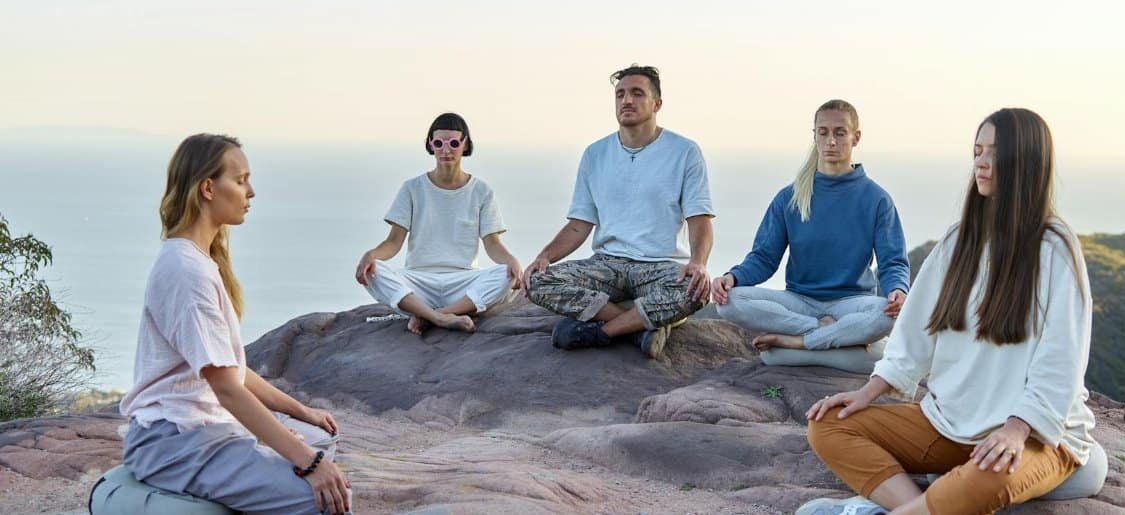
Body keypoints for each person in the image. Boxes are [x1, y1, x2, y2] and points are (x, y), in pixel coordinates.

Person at [799, 108, 1096, 515]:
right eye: (977, 151)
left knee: (990, 474)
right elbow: (914, 332)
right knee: (828, 425)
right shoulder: (960, 240)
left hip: (1035, 436)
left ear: (1026, 161)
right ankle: (920, 508)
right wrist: (868, 393)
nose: (981, 162)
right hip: (950, 423)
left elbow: (1061, 359)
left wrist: (1016, 428)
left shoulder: (1054, 247)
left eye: (995, 153)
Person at [120, 134, 352, 515]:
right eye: (241, 180)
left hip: (201, 428)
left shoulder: (198, 260)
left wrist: (301, 413)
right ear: (208, 188)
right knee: (325, 497)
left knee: (320, 438)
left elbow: (234, 371)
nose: (251, 191)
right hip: (176, 440)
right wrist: (309, 464)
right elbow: (227, 389)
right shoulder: (185, 272)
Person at [523, 64, 714, 359]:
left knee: (695, 290)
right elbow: (579, 224)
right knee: (537, 281)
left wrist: (699, 263)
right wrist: (544, 257)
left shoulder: (684, 151)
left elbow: (699, 219)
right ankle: (638, 327)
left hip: (658, 265)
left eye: (637, 94)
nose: (627, 101)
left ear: (657, 104)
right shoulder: (595, 154)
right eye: (620, 94)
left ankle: (602, 331)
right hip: (607, 265)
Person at [712, 99, 910, 352]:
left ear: (856, 137)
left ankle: (798, 342)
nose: (831, 141)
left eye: (840, 133)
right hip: (799, 301)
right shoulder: (789, 197)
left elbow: (892, 261)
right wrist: (733, 277)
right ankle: (824, 331)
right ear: (814, 136)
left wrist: (897, 291)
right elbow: (763, 258)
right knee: (729, 302)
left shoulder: (877, 199)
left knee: (886, 315)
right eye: (823, 132)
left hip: (852, 302)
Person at [355, 112, 522, 334]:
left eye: (453, 143)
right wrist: (371, 255)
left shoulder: (481, 191)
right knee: (373, 271)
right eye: (439, 143)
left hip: (462, 281)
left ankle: (434, 315)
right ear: (430, 145)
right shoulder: (412, 188)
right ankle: (441, 318)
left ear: (465, 145)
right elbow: (394, 242)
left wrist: (512, 261)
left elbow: (492, 244)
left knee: (505, 274)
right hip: (419, 281)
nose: (446, 150)